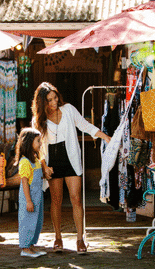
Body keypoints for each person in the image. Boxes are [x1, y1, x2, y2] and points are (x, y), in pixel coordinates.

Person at [31, 82, 111, 255]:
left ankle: (80, 239)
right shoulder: (39, 120)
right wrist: (44, 166)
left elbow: (84, 125)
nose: (53, 102)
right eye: (49, 100)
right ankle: (58, 237)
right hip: (52, 163)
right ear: (42, 103)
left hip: (71, 159)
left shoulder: (68, 110)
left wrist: (104, 136)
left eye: (55, 98)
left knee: (76, 199)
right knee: (56, 201)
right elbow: (38, 148)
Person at [15, 127, 47, 258]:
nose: (40, 144)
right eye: (38, 141)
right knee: (27, 222)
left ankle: (31, 245)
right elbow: (24, 183)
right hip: (29, 198)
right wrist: (28, 201)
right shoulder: (25, 162)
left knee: (37, 222)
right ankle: (25, 247)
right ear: (29, 143)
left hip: (37, 197)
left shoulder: (35, 160)